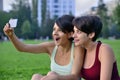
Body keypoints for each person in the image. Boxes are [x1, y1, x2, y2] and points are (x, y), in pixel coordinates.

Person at [3, 15, 84, 80]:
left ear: (70, 34)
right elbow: (23, 47)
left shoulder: (78, 48)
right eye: (54, 29)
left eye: (59, 30)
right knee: (36, 77)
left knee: (51, 74)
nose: (54, 33)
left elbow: (75, 77)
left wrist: (56, 77)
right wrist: (11, 36)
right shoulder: (51, 47)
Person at [72, 15, 120, 80]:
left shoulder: (104, 50)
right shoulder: (81, 50)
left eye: (78, 32)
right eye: (74, 31)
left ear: (91, 34)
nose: (73, 35)